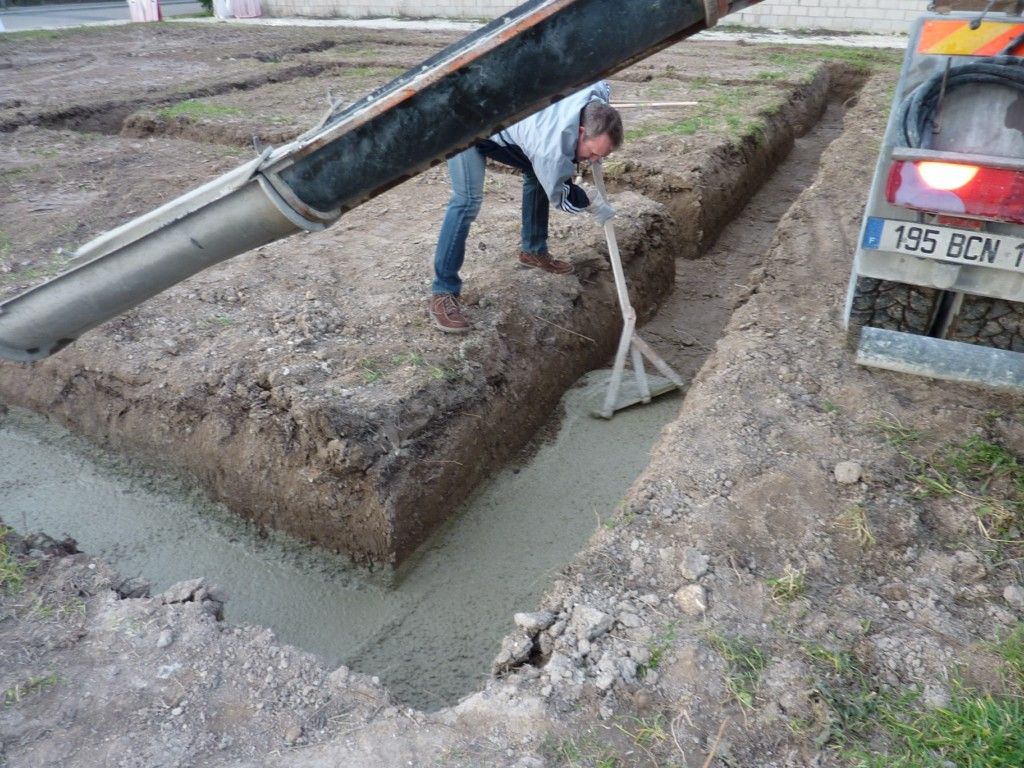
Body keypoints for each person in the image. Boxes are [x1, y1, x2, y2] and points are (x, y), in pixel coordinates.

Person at [429, 81, 622, 332]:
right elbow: (560, 196)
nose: (595, 160)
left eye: (602, 156)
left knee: (536, 172)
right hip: (465, 121)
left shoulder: (596, 97)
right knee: (466, 202)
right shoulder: (550, 150)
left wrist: (596, 151)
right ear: (582, 131)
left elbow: (602, 84)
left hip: (504, 114)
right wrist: (591, 202)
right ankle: (443, 292)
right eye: (594, 153)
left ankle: (533, 251)